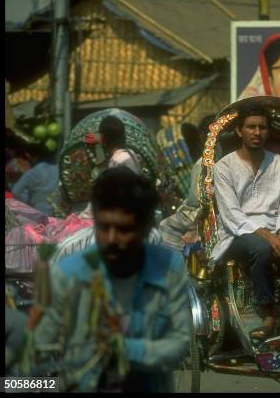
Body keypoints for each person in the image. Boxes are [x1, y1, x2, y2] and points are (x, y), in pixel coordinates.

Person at [34, 167, 190, 392]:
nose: (112, 239)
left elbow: (178, 346)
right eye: (104, 227)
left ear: (146, 229)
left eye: (124, 230)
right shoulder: (66, 263)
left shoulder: (168, 267)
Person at [209, 104, 280, 338]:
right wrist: (269, 238)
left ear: (268, 131)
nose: (256, 132)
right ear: (240, 131)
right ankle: (268, 313)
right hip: (238, 234)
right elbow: (232, 215)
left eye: (262, 127)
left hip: (277, 229)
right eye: (251, 127)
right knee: (260, 248)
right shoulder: (224, 167)